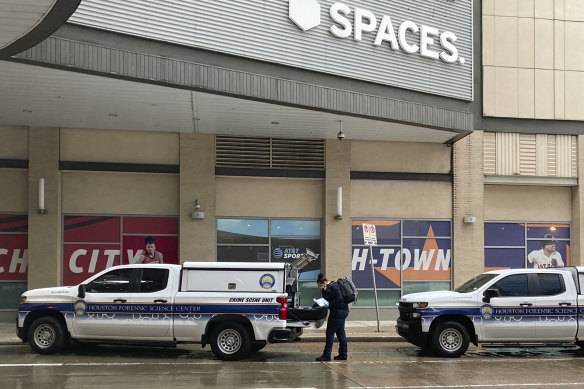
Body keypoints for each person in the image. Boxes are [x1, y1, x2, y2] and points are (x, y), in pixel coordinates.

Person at [315, 272, 349, 362]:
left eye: (321, 286)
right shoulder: (327, 289)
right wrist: (314, 305)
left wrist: (329, 305)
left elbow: (339, 298)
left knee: (330, 333)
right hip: (341, 311)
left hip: (338, 312)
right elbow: (325, 300)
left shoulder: (334, 286)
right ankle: (343, 354)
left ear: (325, 282)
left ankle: (326, 355)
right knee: (340, 332)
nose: (320, 287)